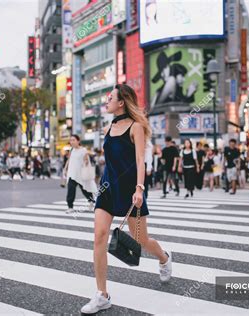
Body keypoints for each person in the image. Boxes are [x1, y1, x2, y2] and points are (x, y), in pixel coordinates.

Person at [82, 84, 172, 314]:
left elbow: (141, 159)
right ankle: (102, 295)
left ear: (121, 102)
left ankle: (163, 257)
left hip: (131, 189)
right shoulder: (109, 127)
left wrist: (140, 188)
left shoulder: (136, 127)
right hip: (108, 187)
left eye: (110, 98)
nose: (107, 100)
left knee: (140, 239)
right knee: (99, 236)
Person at [63, 135, 96, 213]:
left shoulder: (83, 150)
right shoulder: (72, 150)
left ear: (78, 141)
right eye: (71, 140)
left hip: (80, 173)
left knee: (85, 189)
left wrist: (86, 161)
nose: (72, 142)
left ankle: (91, 201)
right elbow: (69, 160)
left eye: (73, 140)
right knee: (71, 189)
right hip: (72, 173)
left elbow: (87, 161)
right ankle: (70, 207)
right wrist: (65, 168)